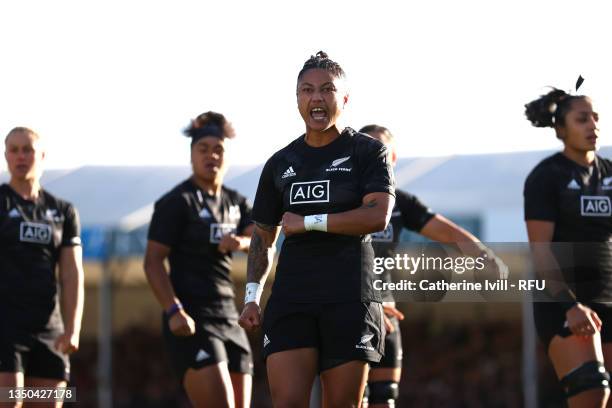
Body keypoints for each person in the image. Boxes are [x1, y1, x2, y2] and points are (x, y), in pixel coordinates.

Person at [238, 51, 395, 408]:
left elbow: (377, 216)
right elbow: (263, 236)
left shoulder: (368, 152)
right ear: (297, 99)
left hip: (350, 296)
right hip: (293, 296)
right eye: (307, 90)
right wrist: (251, 296)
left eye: (327, 90)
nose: (317, 98)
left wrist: (309, 222)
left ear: (344, 98)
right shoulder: (280, 163)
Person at [361, 124, 505, 407]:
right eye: (367, 151)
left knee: (384, 398)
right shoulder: (341, 200)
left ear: (392, 159)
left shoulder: (400, 203)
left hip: (387, 314)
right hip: (351, 309)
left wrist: (483, 255)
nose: (373, 158)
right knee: (351, 399)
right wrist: (364, 301)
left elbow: (447, 232)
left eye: (381, 151)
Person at [144, 112, 254, 408]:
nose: (211, 156)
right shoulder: (177, 202)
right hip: (192, 317)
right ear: (191, 154)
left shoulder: (237, 202)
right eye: (203, 149)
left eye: (218, 149)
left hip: (230, 317)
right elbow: (153, 262)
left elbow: (263, 238)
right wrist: (173, 309)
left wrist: (242, 241)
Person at [524, 85, 612, 406]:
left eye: (596, 118)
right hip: (563, 301)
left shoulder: (609, 174)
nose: (593, 125)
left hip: (607, 298)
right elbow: (541, 250)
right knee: (593, 393)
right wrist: (570, 305)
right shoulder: (546, 177)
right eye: (582, 119)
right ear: (561, 129)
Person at [0, 127, 84, 408]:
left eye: (28, 150)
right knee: (10, 401)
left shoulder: (63, 211)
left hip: (49, 330)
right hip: (6, 327)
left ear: (42, 156)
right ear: (6, 156)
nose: (21, 156)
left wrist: (72, 328)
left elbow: (72, 274)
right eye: (14, 150)